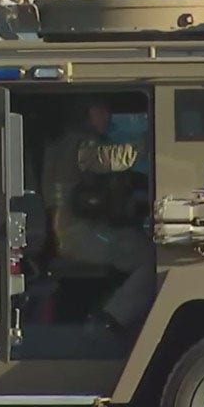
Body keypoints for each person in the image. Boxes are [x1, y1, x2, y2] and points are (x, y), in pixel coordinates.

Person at [41, 97, 154, 334]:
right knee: (156, 259)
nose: (107, 117)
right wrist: (154, 139)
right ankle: (111, 320)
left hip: (74, 232)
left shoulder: (61, 143)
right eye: (101, 111)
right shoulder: (77, 144)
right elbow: (110, 159)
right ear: (87, 113)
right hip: (81, 234)